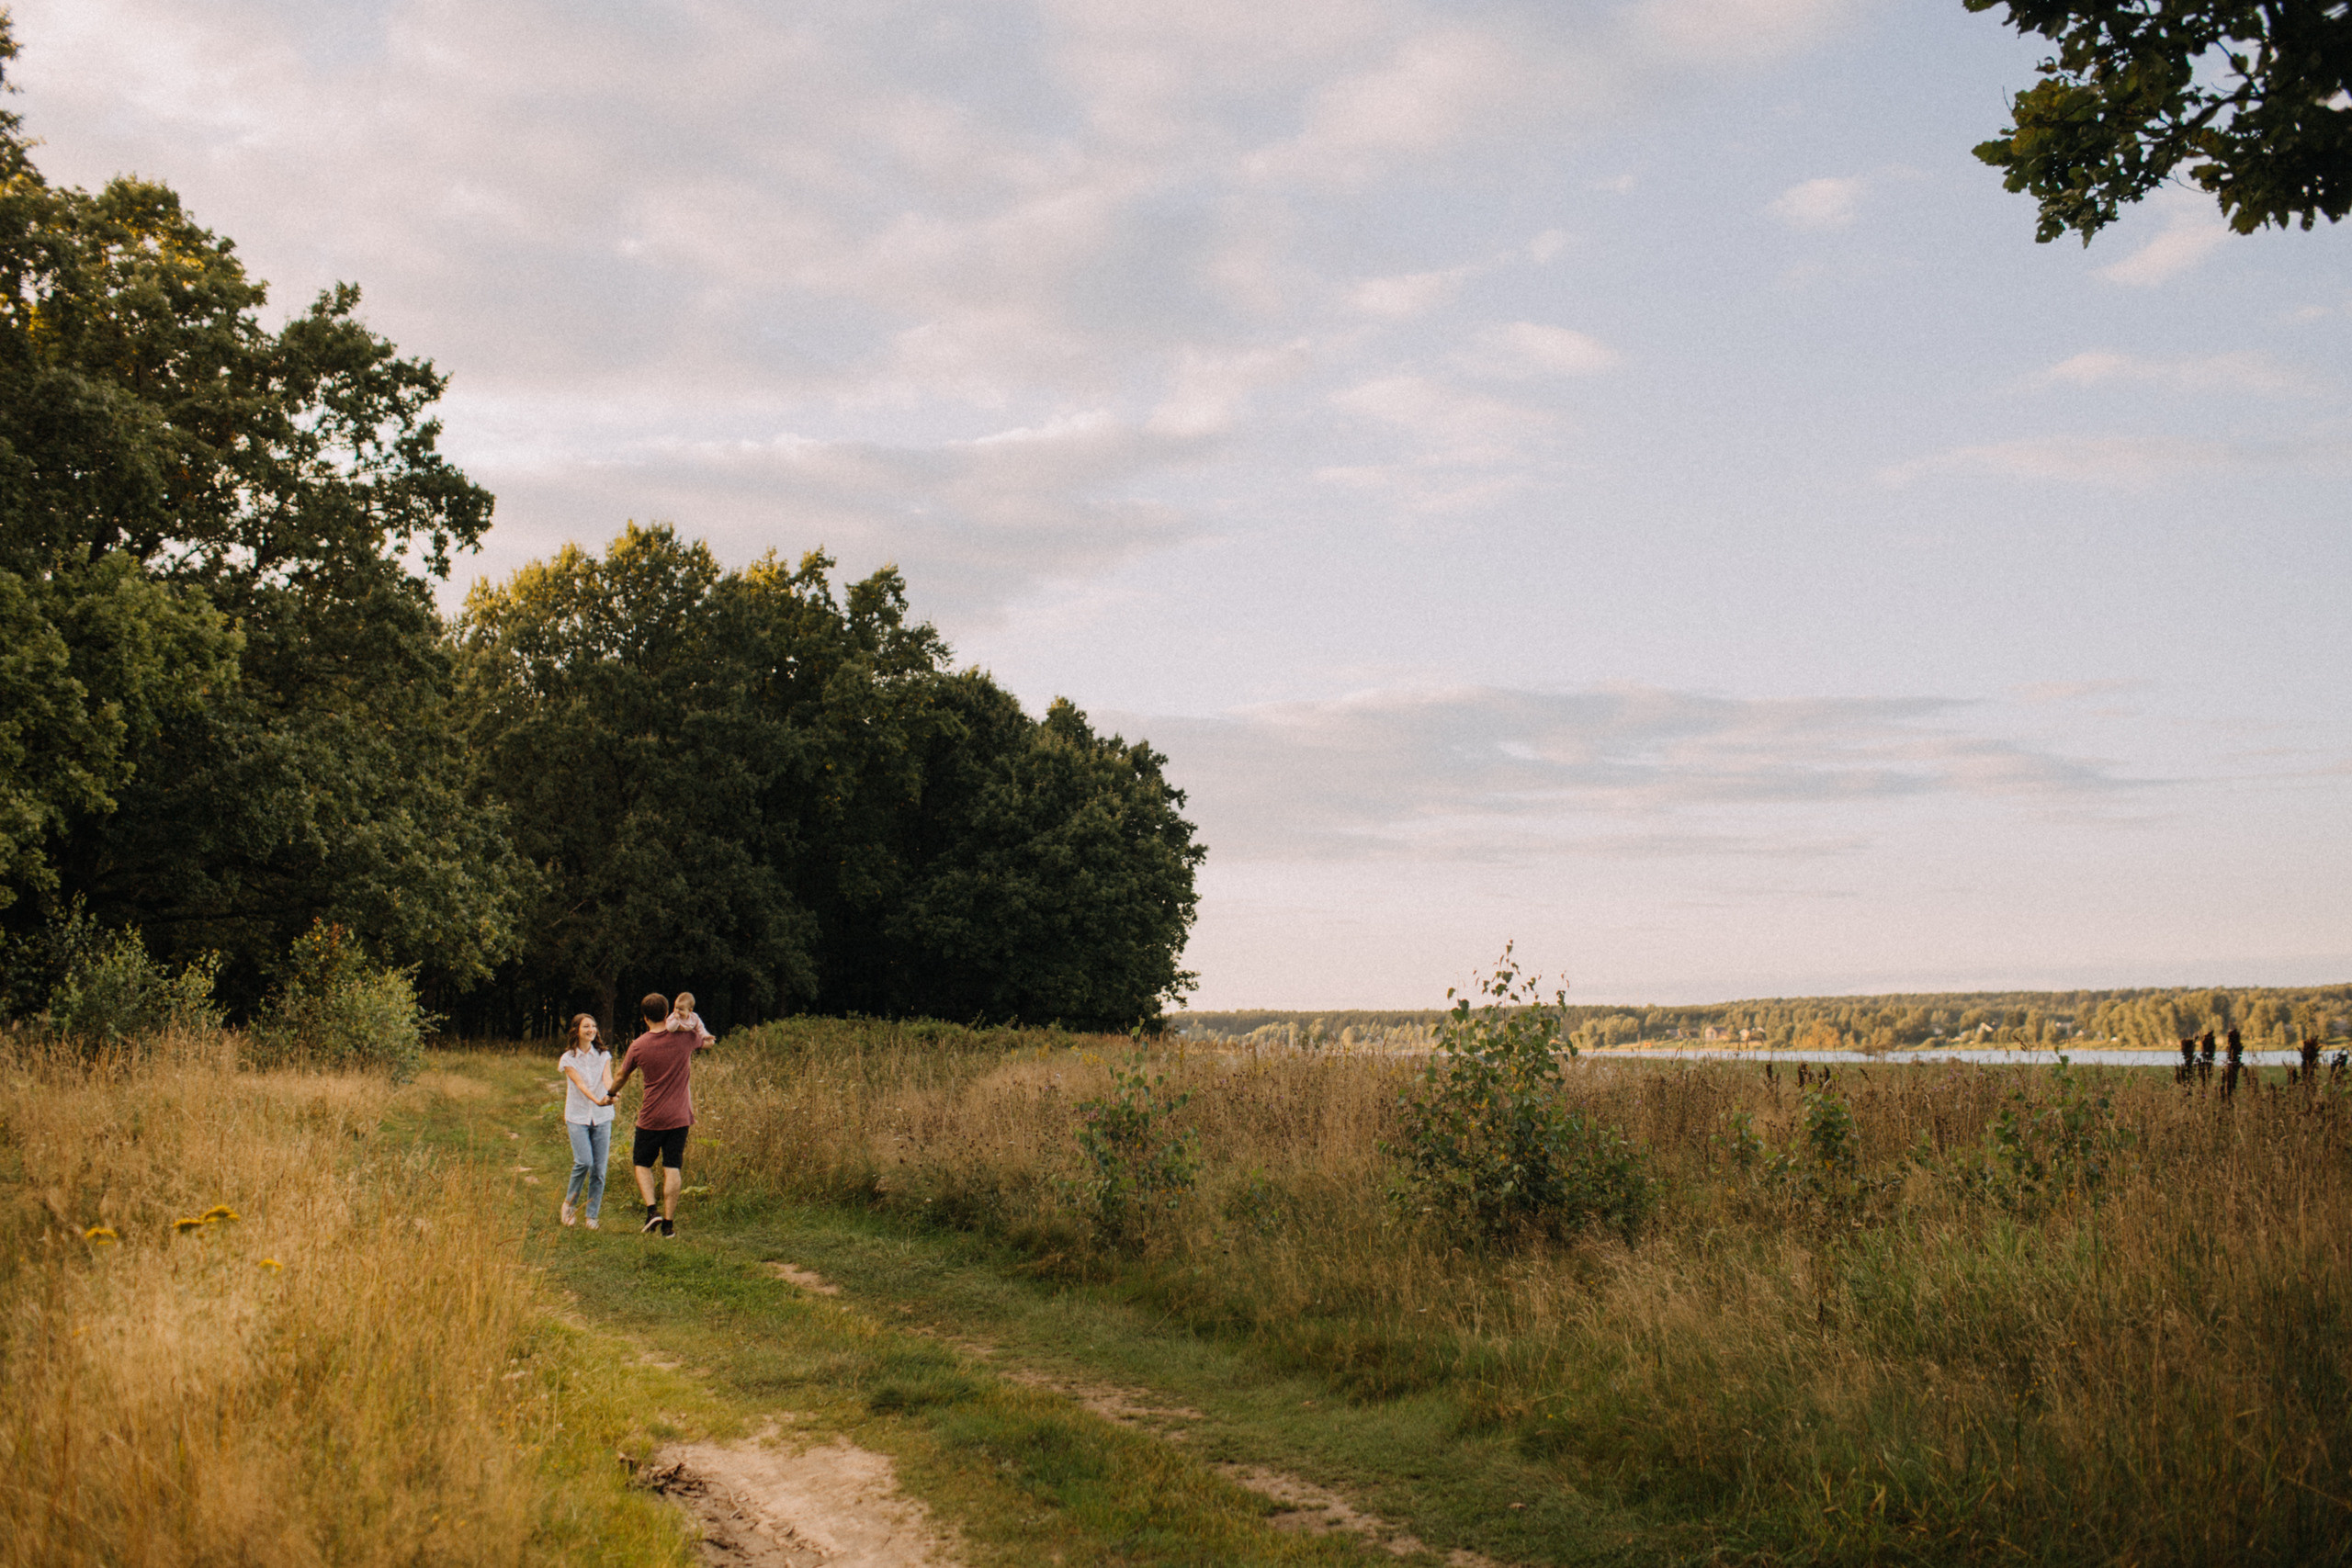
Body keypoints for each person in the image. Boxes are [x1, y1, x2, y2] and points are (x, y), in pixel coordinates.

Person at [608, 990, 714, 1236]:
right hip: (679, 1117)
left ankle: (651, 1211)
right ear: (667, 1013)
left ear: (645, 1018)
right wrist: (702, 1033)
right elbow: (707, 1042)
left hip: (651, 1117)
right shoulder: (685, 1039)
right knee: (672, 1167)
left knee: (642, 1163)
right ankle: (668, 1226)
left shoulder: (638, 1045)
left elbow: (622, 1075)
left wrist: (611, 1092)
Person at [556, 1013, 616, 1227]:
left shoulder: (603, 1055)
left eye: (594, 1026)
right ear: (576, 1031)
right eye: (586, 1026)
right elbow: (580, 1085)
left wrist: (611, 1093)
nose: (591, 1030)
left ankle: (592, 1216)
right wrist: (598, 1100)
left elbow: (607, 1078)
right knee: (584, 1162)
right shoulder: (568, 1059)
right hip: (578, 1116)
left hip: (602, 1118)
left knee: (599, 1170)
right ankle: (569, 1205)